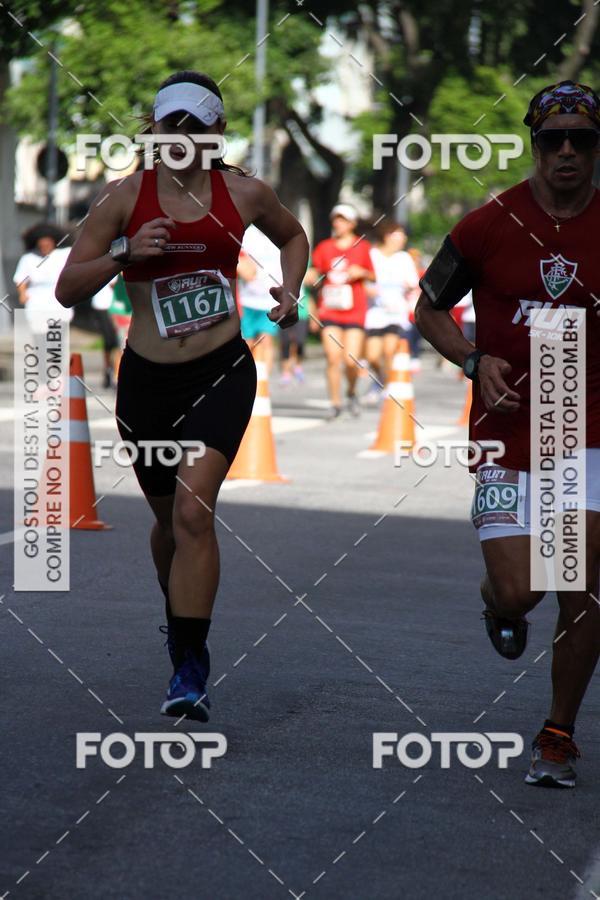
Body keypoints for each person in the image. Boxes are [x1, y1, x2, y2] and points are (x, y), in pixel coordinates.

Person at [56, 70, 308, 721]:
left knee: (195, 514)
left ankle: (190, 666)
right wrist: (124, 251)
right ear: (154, 130)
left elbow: (292, 235)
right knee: (169, 523)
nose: (184, 138)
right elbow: (66, 287)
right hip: (147, 382)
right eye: (173, 126)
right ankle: (180, 625)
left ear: (218, 132)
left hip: (221, 371)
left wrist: (291, 289)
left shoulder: (246, 193)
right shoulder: (123, 198)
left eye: (197, 127)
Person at [415, 80, 600, 789]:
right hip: (506, 435)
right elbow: (428, 307)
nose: (566, 152)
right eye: (553, 140)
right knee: (523, 590)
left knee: (578, 581)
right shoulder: (486, 225)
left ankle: (557, 733)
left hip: (586, 431)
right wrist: (472, 359)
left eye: (581, 140)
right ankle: (498, 600)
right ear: (534, 144)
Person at [305, 204, 374, 419]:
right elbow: (315, 272)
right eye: (336, 219)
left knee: (350, 360)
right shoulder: (324, 247)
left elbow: (373, 275)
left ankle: (351, 392)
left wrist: (361, 272)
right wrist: (311, 276)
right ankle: (335, 403)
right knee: (333, 357)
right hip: (330, 311)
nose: (338, 223)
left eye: (343, 219)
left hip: (354, 311)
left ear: (352, 223)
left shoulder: (362, 247)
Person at [364, 219, 419, 403]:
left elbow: (413, 284)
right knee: (372, 356)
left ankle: (387, 386)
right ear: (387, 236)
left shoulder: (404, 258)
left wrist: (409, 287)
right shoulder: (372, 255)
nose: (403, 239)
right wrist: (367, 289)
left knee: (389, 351)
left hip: (396, 313)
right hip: (375, 313)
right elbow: (364, 279)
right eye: (399, 235)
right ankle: (380, 379)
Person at [13, 223, 73, 339]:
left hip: (57, 299)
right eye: (42, 243)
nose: (45, 245)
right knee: (39, 337)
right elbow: (20, 279)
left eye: (47, 242)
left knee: (57, 339)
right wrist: (22, 293)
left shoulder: (64, 254)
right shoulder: (28, 258)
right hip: (37, 301)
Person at [237, 224, 282, 374]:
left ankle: (263, 381)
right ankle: (249, 378)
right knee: (248, 345)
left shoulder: (280, 233)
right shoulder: (246, 234)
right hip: (246, 301)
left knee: (265, 342)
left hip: (269, 301)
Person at [279, 282, 311, 385]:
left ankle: (297, 366)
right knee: (286, 342)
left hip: (301, 312)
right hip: (284, 311)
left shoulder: (304, 271)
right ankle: (286, 372)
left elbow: (312, 280)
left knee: (300, 341)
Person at [90, 278, 120, 388]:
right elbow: (114, 284)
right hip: (106, 305)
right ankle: (112, 372)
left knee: (113, 342)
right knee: (113, 342)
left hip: (109, 306)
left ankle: (111, 371)